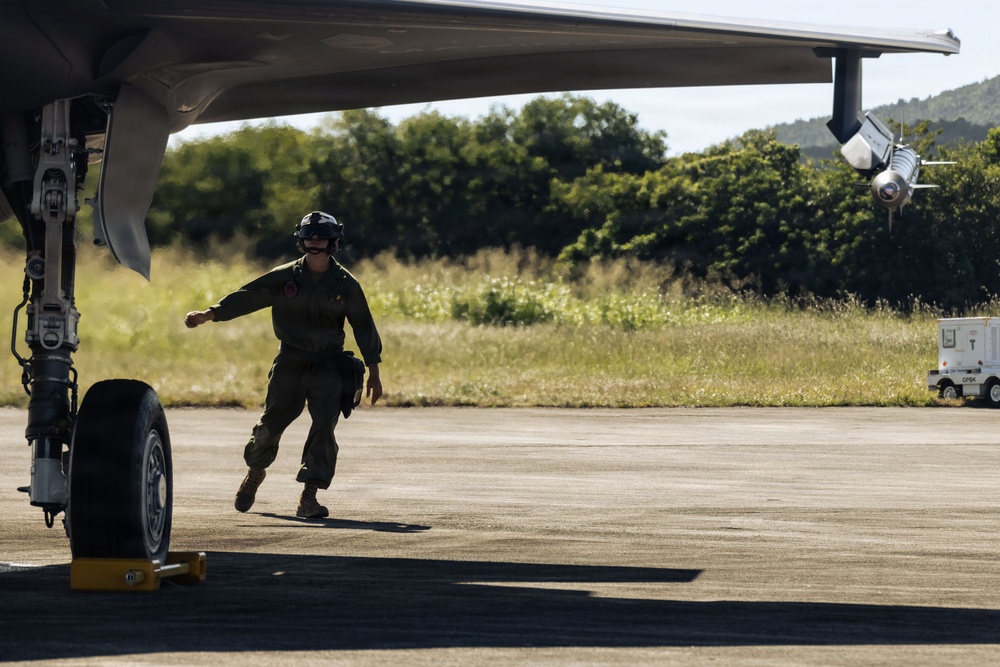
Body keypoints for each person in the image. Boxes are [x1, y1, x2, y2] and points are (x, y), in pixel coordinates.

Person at [184, 211, 383, 518]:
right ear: (301, 239)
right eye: (309, 234)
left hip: (328, 365)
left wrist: (374, 372)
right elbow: (247, 297)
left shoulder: (346, 283)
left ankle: (309, 497)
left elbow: (364, 326)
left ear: (334, 240)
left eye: (321, 234)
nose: (315, 239)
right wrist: (209, 314)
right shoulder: (284, 276)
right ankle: (255, 471)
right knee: (271, 424)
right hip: (291, 362)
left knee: (324, 429)